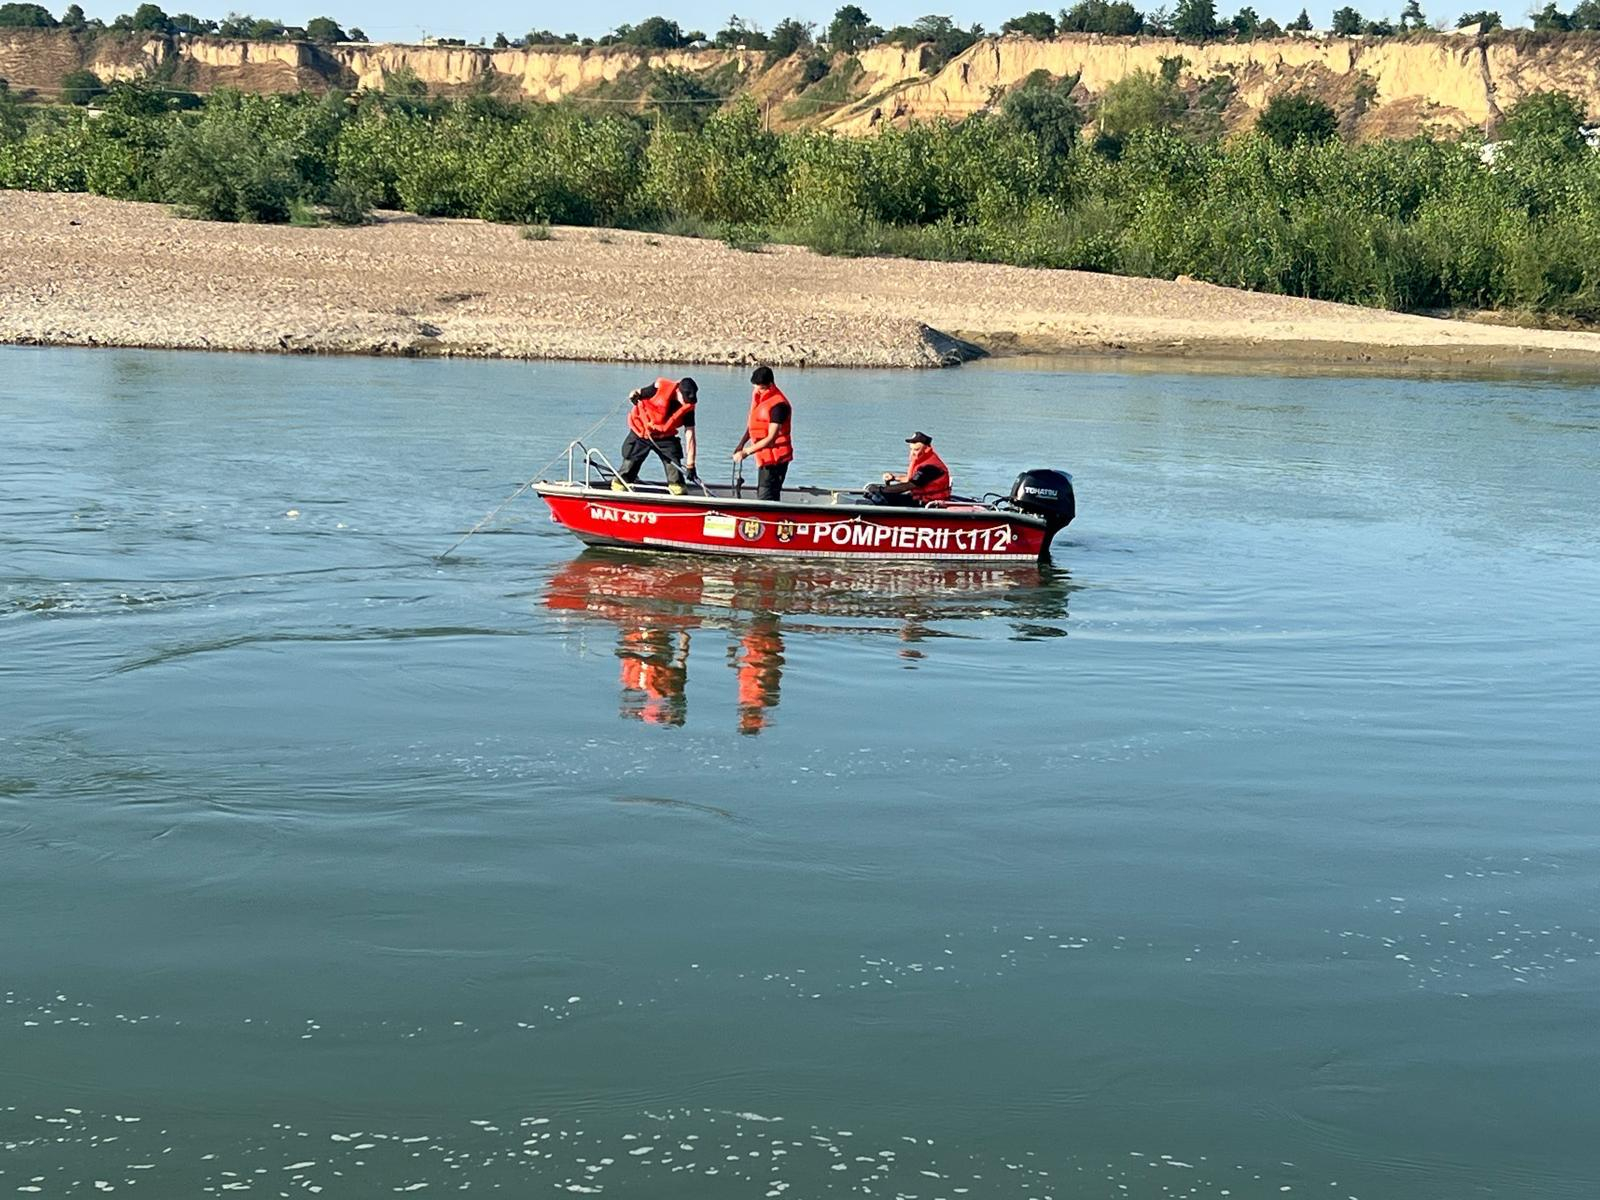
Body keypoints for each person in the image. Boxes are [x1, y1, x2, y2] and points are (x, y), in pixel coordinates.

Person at [615, 376, 698, 495]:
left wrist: (691, 465)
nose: (686, 402)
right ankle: (619, 487)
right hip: (642, 432)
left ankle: (677, 490)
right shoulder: (660, 388)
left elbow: (690, 435)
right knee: (630, 464)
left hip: (665, 436)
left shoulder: (689, 408)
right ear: (677, 391)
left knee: (675, 470)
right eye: (684, 399)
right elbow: (636, 392)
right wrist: (633, 395)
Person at [731, 366, 793, 501]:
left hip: (776, 461)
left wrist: (746, 452)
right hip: (764, 457)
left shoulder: (779, 406)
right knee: (762, 491)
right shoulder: (760, 398)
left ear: (770, 384)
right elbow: (754, 426)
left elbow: (771, 438)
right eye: (756, 387)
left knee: (766, 496)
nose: (758, 391)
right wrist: (741, 444)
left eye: (761, 388)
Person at [863, 431, 952, 506]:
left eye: (916, 450)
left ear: (926, 449)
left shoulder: (931, 466)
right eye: (911, 449)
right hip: (918, 498)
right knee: (876, 495)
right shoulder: (923, 460)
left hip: (929, 502)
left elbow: (909, 485)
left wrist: (880, 489)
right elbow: (912, 479)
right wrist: (894, 478)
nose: (913, 453)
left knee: (880, 497)